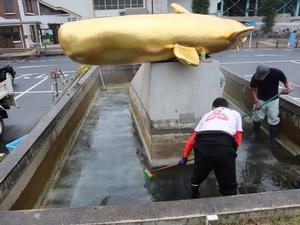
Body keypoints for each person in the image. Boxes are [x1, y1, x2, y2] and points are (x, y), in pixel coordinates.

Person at [178, 97, 243, 198]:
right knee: (228, 183)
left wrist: (185, 157)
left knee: (198, 175)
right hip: (225, 146)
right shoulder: (235, 114)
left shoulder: (206, 115)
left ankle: (195, 193)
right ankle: (230, 202)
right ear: (227, 107)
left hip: (203, 146)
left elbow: (192, 139)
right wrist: (231, 153)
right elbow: (238, 137)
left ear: (213, 107)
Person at [250, 64, 292, 146]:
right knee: (257, 116)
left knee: (273, 118)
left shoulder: (277, 73)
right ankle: (256, 133)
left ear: (268, 72)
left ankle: (272, 138)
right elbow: (253, 90)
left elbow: (286, 81)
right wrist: (256, 101)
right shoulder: (255, 77)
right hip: (260, 99)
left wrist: (288, 88)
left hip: (273, 99)